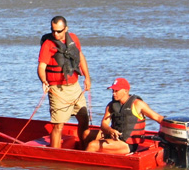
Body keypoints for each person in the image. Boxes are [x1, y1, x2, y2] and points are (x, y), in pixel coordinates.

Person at [37, 16, 91, 148]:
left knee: (84, 119)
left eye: (59, 31)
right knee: (58, 125)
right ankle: (55, 154)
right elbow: (41, 67)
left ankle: (85, 149)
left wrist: (87, 78)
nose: (55, 34)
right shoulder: (48, 44)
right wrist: (44, 80)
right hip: (57, 89)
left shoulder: (74, 39)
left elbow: (81, 58)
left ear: (66, 29)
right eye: (53, 30)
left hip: (75, 88)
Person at [86, 78, 164, 154]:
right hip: (113, 137)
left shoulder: (137, 104)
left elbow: (158, 118)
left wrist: (171, 128)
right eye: (113, 91)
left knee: (93, 145)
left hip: (128, 143)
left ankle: (85, 164)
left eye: (116, 91)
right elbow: (103, 124)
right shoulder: (111, 105)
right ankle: (86, 156)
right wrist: (110, 130)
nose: (113, 93)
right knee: (86, 133)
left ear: (126, 91)